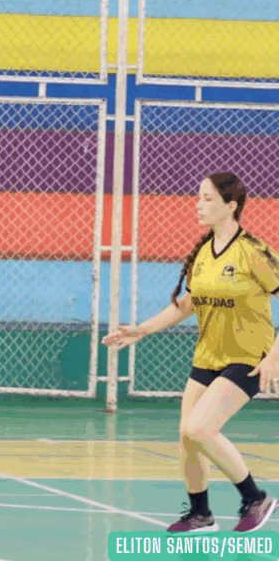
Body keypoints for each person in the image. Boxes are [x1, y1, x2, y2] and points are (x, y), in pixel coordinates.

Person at [103, 172, 279, 533]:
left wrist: (274, 357)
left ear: (231, 206)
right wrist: (142, 329)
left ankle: (255, 498)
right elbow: (189, 304)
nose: (198, 205)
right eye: (198, 197)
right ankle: (200, 514)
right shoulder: (203, 251)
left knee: (201, 428)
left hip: (248, 357)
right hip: (208, 357)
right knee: (187, 434)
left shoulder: (254, 252)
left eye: (207, 199)